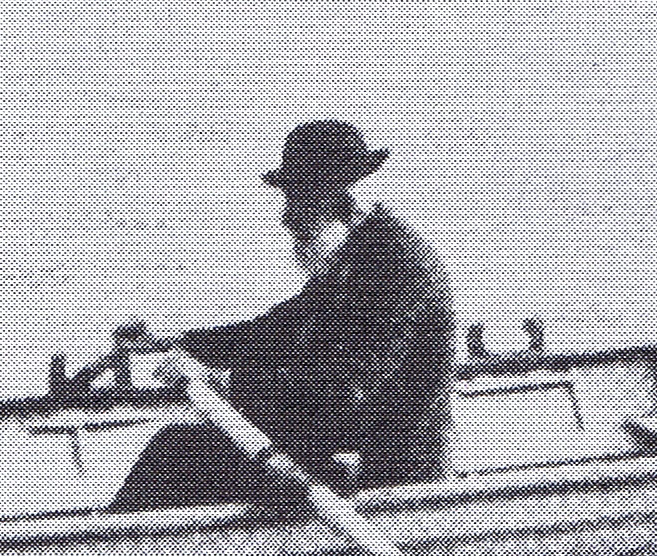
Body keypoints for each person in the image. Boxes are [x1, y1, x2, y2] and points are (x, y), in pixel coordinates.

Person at [109, 121, 456, 511]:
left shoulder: (394, 264)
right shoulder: (350, 261)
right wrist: (175, 343)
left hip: (391, 478)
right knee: (181, 448)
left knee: (179, 454)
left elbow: (347, 386)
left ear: (333, 202)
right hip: (342, 451)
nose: (289, 229)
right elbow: (269, 334)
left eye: (298, 219)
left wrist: (222, 379)